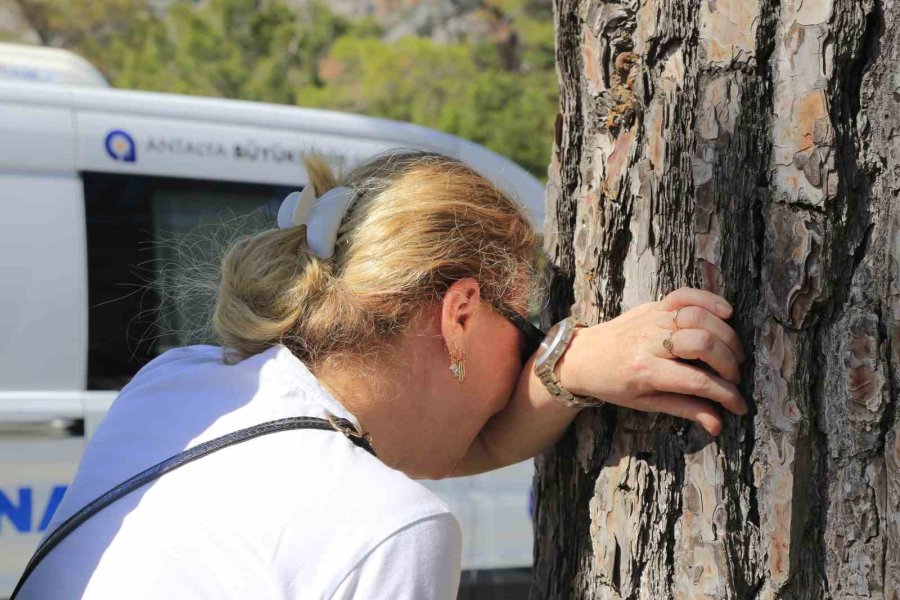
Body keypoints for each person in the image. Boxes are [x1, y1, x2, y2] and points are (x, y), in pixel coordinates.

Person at [17, 150, 747, 599]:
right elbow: (387, 485)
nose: (527, 356)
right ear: (461, 312)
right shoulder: (390, 531)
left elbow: (431, 447)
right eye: (524, 334)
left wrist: (564, 370)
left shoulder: (175, 386)